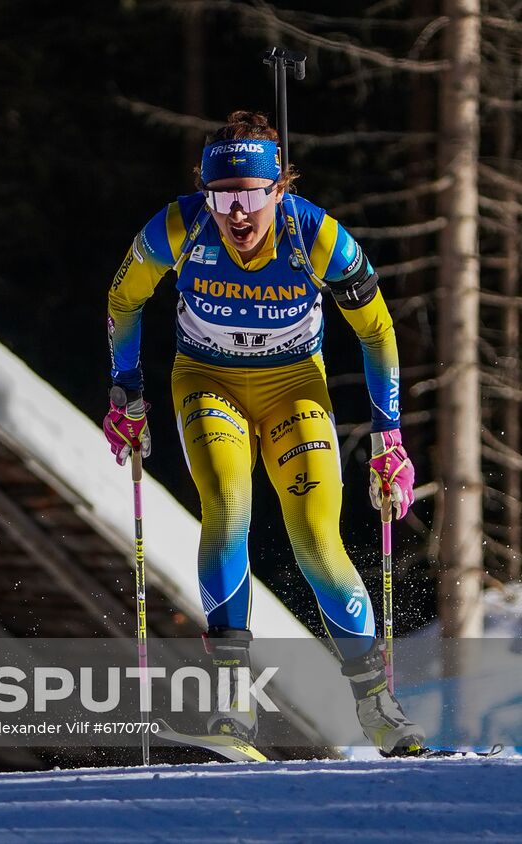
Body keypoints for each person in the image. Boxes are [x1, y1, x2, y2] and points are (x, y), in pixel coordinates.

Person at [101, 110, 425, 755]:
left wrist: (389, 437)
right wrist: (126, 390)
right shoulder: (178, 226)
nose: (238, 213)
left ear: (280, 190)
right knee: (224, 507)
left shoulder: (319, 237)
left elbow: (378, 330)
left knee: (316, 539)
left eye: (252, 195)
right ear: (206, 192)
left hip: (293, 387)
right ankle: (232, 706)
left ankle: (376, 706)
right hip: (206, 380)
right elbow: (124, 299)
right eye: (223, 196)